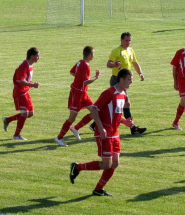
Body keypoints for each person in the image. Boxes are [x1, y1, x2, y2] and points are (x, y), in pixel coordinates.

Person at [69, 68, 138, 196]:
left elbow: (116, 114)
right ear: (121, 80)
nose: (131, 82)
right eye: (129, 79)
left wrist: (125, 122)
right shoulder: (109, 93)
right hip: (105, 133)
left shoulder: (123, 94)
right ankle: (77, 167)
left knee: (115, 163)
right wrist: (100, 128)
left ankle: (98, 189)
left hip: (115, 134)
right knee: (107, 164)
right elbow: (94, 109)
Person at [89, 32, 146, 135]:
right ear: (121, 40)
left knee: (117, 104)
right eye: (126, 40)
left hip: (125, 81)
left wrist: (140, 73)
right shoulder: (116, 51)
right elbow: (108, 63)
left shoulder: (131, 51)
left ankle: (94, 124)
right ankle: (133, 129)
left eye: (129, 40)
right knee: (121, 104)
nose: (128, 42)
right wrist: (115, 64)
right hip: (117, 80)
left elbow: (135, 63)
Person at [54, 46, 100, 146]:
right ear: (89, 54)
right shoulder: (85, 65)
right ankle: (59, 137)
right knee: (72, 118)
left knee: (95, 111)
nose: (94, 56)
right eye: (93, 54)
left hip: (83, 93)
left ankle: (75, 128)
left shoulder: (80, 62)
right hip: (77, 94)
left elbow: (72, 72)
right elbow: (86, 82)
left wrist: (79, 79)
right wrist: (96, 77)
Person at [3, 47, 40, 140]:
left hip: (25, 92)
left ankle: (7, 120)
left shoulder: (29, 65)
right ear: (32, 56)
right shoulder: (24, 66)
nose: (38, 57)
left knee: (30, 113)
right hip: (20, 92)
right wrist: (32, 84)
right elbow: (19, 80)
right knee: (24, 113)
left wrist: (30, 84)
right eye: (37, 56)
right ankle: (16, 135)